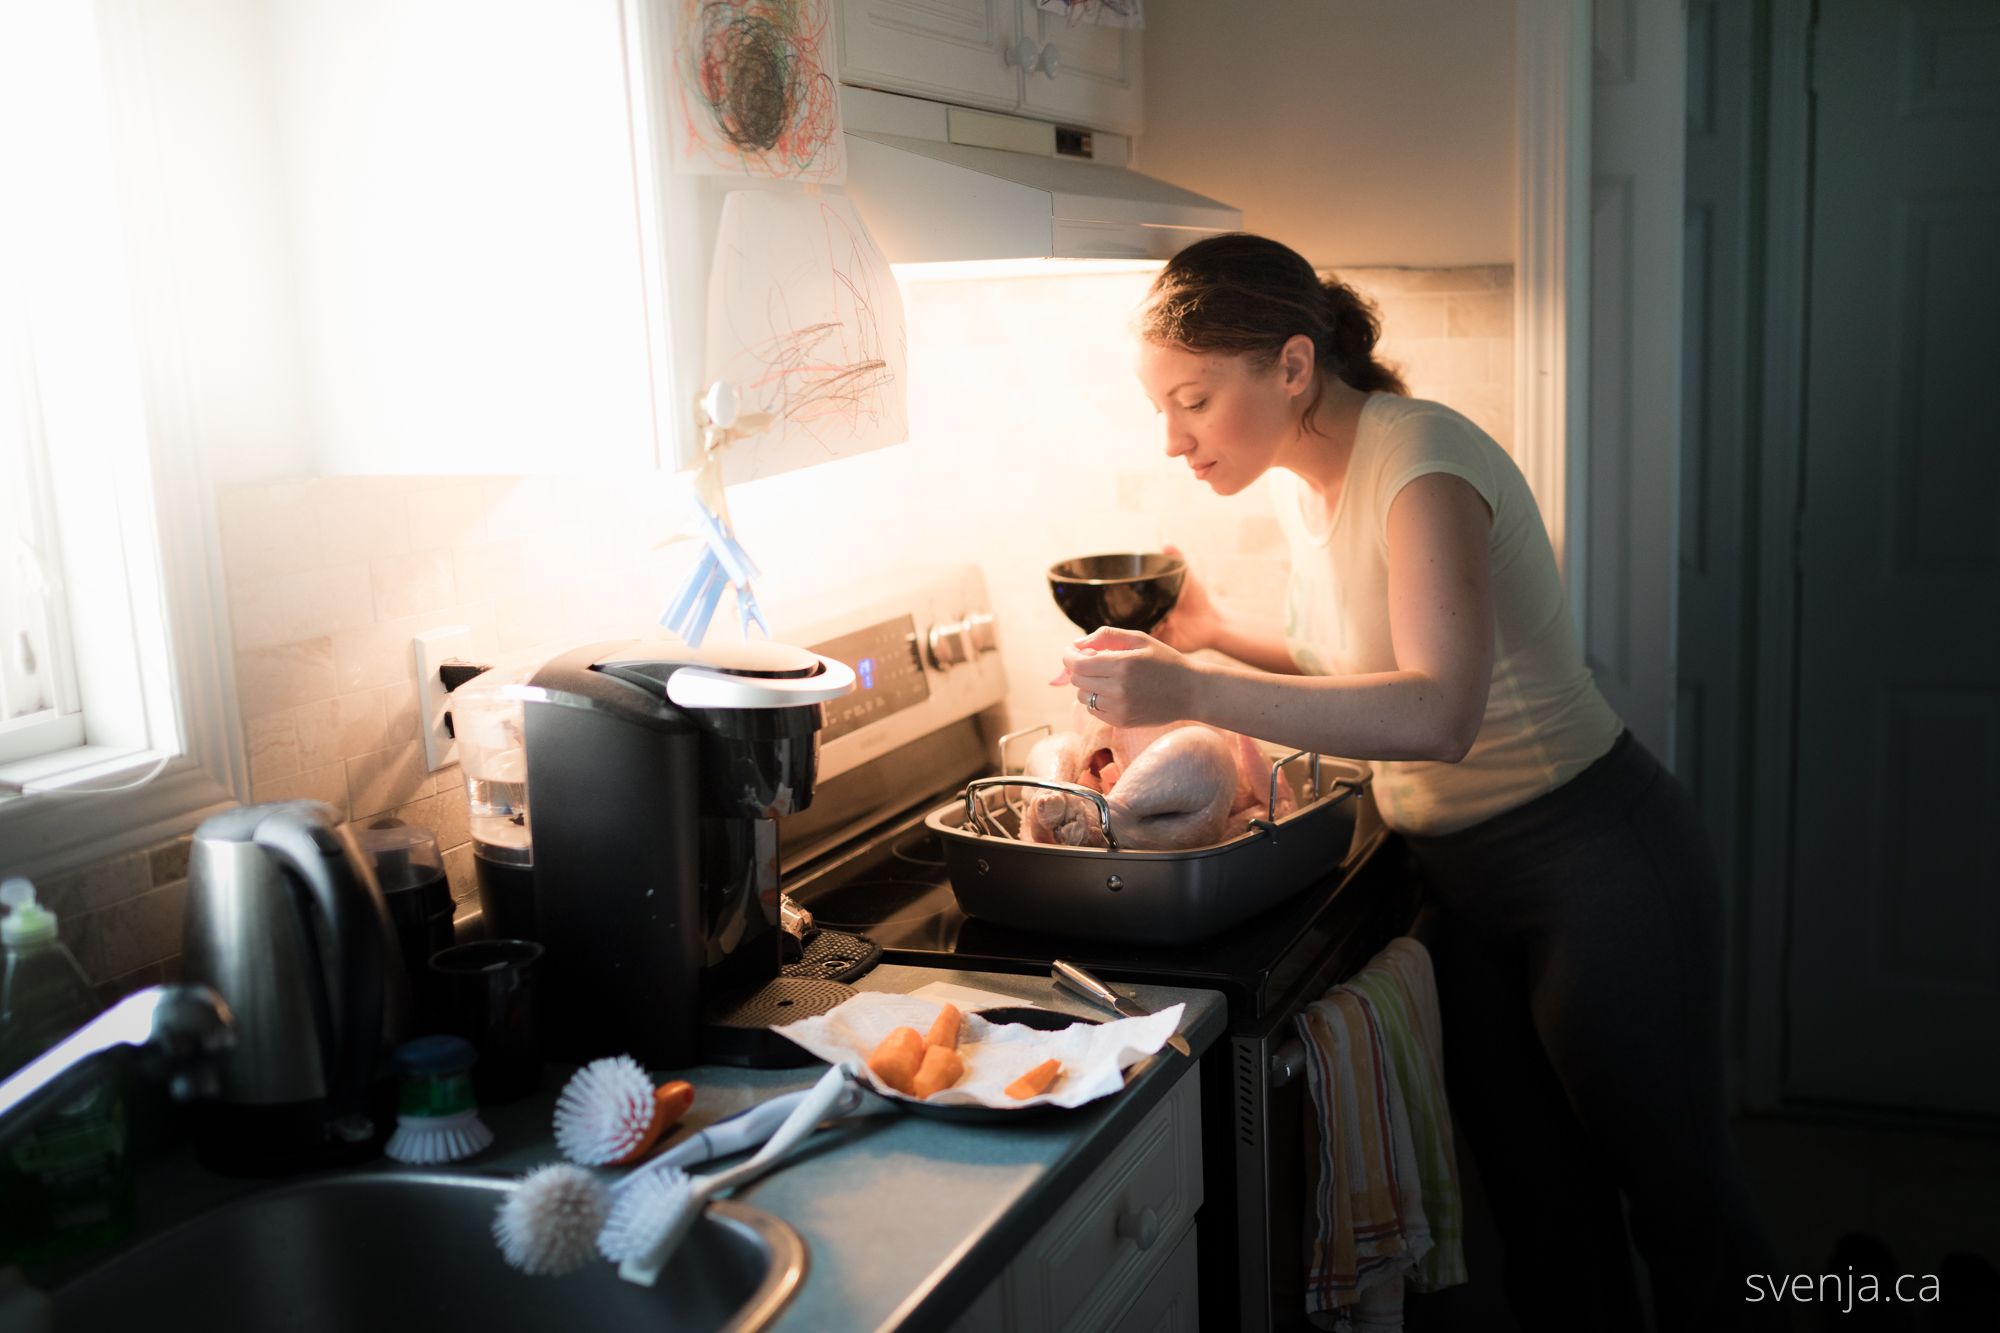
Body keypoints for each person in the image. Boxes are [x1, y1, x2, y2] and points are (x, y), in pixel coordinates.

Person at [1058, 233, 1778, 1331]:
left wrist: (1194, 685)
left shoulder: (1422, 461)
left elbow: (1436, 712)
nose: (1172, 440)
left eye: (1192, 400)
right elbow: (1359, 672)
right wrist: (1218, 638)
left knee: (1684, 1208)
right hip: (1462, 885)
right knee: (1543, 1209)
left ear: (1292, 367)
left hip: (1594, 860)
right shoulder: (1311, 483)